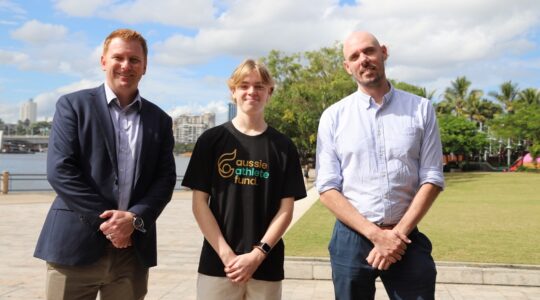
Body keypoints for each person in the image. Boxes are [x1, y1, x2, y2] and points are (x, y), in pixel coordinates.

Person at [34, 28, 177, 300]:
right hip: (74, 248)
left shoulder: (160, 120)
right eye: (118, 57)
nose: (126, 66)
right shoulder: (73, 106)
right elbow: (60, 170)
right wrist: (112, 223)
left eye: (134, 60)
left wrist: (134, 220)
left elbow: (165, 179)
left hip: (132, 253)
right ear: (103, 61)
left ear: (145, 66)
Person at [315, 31, 445, 300]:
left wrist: (395, 236)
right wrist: (376, 235)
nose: (363, 59)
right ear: (347, 67)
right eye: (354, 56)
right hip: (351, 238)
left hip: (405, 235)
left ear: (383, 52)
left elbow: (432, 177)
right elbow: (327, 187)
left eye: (368, 51)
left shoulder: (421, 109)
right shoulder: (333, 117)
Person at [182, 59, 307, 300]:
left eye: (259, 86)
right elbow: (199, 205)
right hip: (218, 265)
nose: (252, 92)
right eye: (244, 85)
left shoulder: (283, 146)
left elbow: (286, 210)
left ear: (269, 92)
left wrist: (258, 254)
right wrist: (227, 255)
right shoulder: (211, 140)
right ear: (233, 91)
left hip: (266, 265)